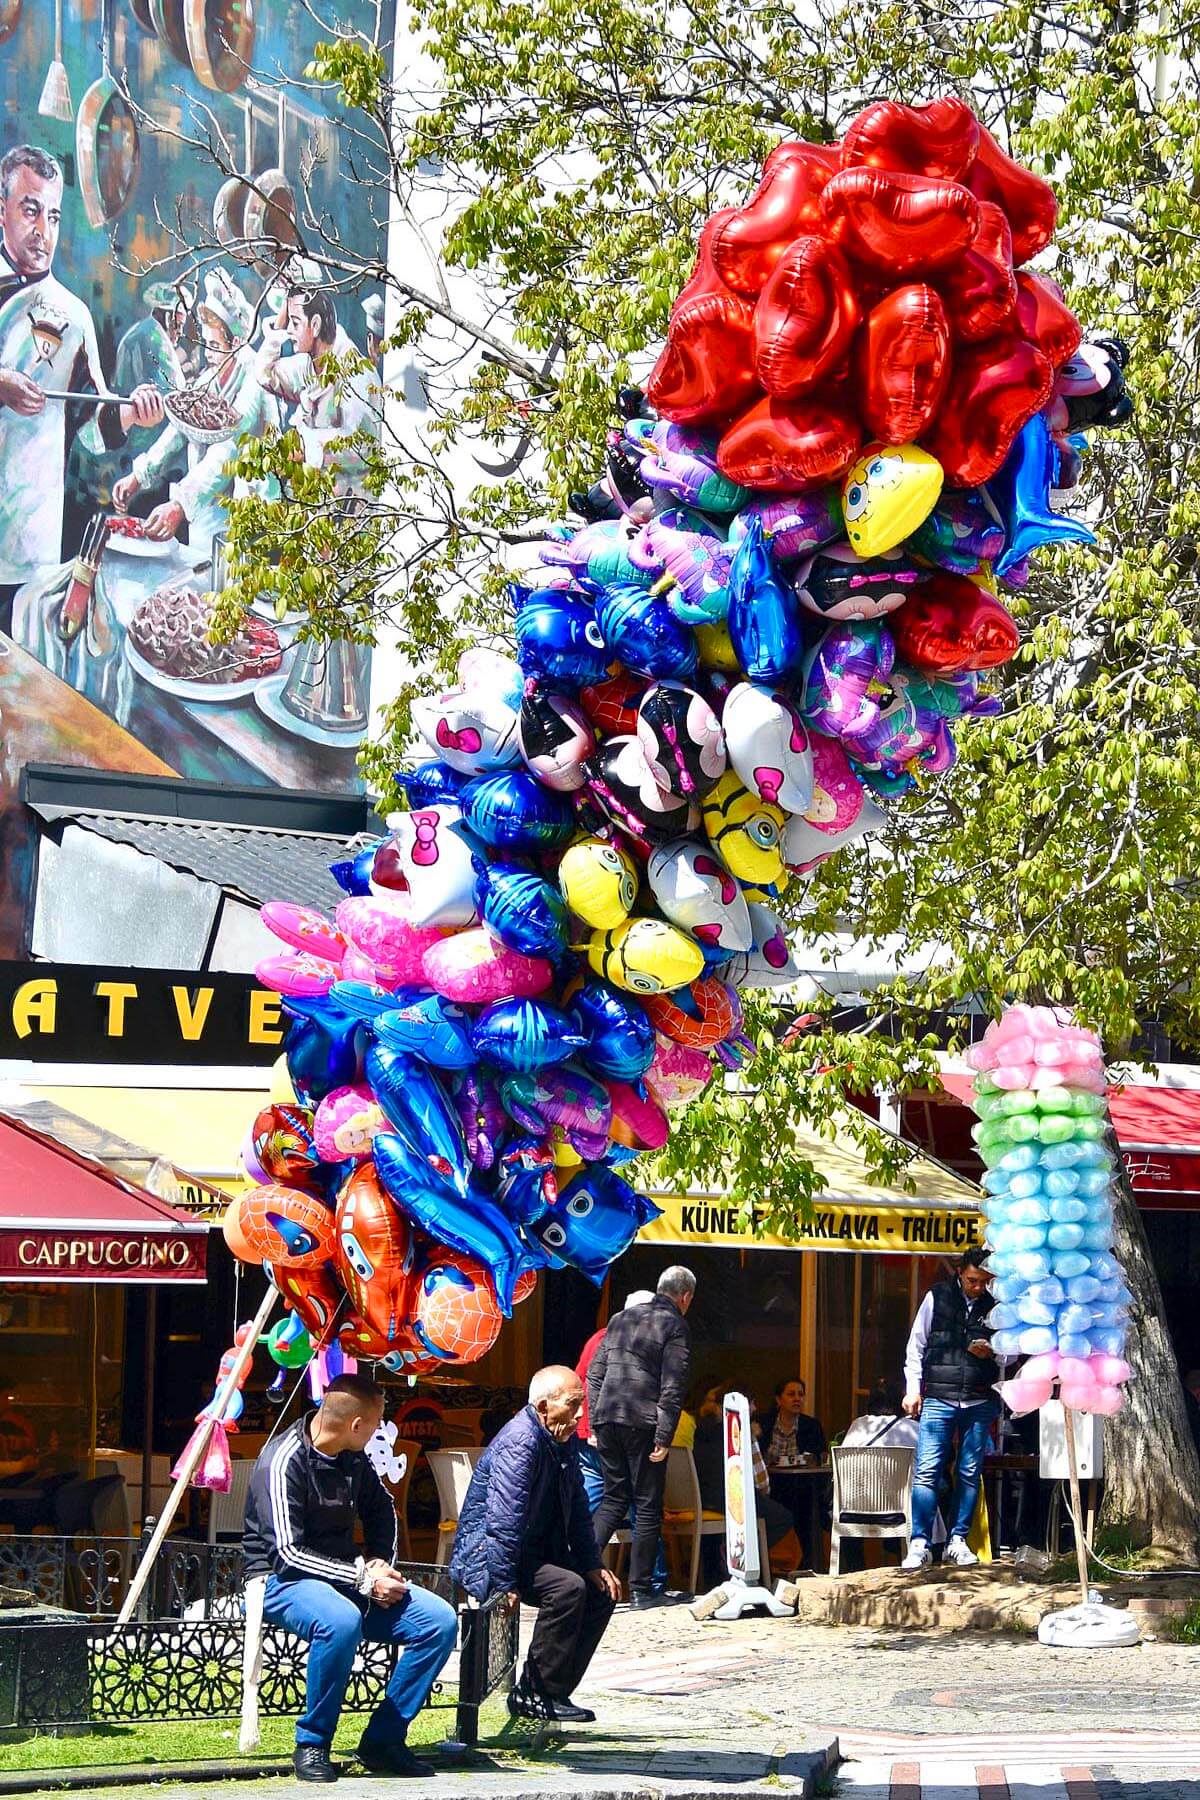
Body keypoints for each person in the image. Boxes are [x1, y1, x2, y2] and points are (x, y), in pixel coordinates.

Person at [243, 1372, 458, 1783]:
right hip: (277, 1580)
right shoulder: (283, 1460)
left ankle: (384, 1740)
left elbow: (384, 1512)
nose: (380, 1432)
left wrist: (378, 1563)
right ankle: (313, 1743)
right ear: (357, 1425)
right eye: (377, 1424)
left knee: (439, 1620)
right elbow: (286, 1554)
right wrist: (363, 1580)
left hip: (345, 1577)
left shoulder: (353, 1457)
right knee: (341, 1621)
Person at [0, 144, 163, 626]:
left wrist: (134, 411)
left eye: (52, 215)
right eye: (31, 211)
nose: (43, 230)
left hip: (26, 543)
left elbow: (94, 422)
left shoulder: (72, 315)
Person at [450, 1366, 619, 1722]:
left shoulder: (561, 1439)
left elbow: (576, 1508)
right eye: (573, 1405)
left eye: (582, 1405)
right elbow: (503, 1519)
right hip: (492, 1555)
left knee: (600, 1590)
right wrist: (504, 1581)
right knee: (568, 1588)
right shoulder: (521, 1442)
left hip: (533, 1550)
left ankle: (553, 1691)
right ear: (543, 1407)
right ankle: (533, 1692)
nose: (580, 1415)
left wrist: (593, 1563)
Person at [113, 267, 280, 555]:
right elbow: (177, 429)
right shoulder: (210, 377)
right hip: (207, 508)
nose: (207, 353)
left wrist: (179, 504)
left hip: (250, 512)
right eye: (205, 342)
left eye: (214, 345)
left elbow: (226, 449)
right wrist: (138, 476)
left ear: (237, 342)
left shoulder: (255, 379)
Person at [588, 1265, 694, 1609]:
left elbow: (595, 1373)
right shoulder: (675, 1323)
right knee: (647, 1508)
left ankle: (579, 1572)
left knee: (613, 1499)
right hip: (642, 1421)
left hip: (608, 1418)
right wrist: (665, 1435)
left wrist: (593, 1421)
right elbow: (673, 1384)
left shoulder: (620, 1319)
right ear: (685, 1297)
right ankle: (643, 1591)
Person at [900, 1246, 998, 1571]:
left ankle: (957, 1540)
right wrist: (913, 1390)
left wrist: (994, 1352)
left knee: (969, 1472)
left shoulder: (997, 1305)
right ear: (960, 1272)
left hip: (979, 1396)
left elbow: (1010, 1355)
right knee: (928, 1469)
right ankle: (919, 1543)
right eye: (973, 1280)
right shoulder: (937, 1297)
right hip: (939, 1396)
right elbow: (916, 1345)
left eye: (984, 1281)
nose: (978, 1287)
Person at [256, 276, 376, 485]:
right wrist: (278, 328)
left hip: (350, 499)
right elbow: (265, 375)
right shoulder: (307, 364)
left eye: (295, 323)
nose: (290, 331)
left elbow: (360, 447)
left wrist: (304, 447)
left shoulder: (355, 372)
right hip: (312, 492)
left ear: (316, 324)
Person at [692, 1385, 800, 1580]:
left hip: (703, 1500)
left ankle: (723, 1562)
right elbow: (762, 1482)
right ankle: (743, 1557)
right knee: (782, 1517)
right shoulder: (741, 1430)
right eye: (751, 1402)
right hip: (737, 1500)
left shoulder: (699, 1430)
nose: (755, 1408)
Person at [759, 1376, 828, 1569]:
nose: (797, 1399)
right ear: (778, 1399)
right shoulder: (764, 1423)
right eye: (791, 1394)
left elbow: (819, 1456)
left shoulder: (810, 1425)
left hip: (801, 1482)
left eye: (800, 1394)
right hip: (770, 1483)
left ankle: (805, 1564)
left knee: (804, 1502)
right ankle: (769, 1563)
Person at [842, 1381, 919, 1449]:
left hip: (862, 1465)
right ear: (901, 1402)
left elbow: (843, 1456)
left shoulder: (858, 1424)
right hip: (902, 1465)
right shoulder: (915, 1428)